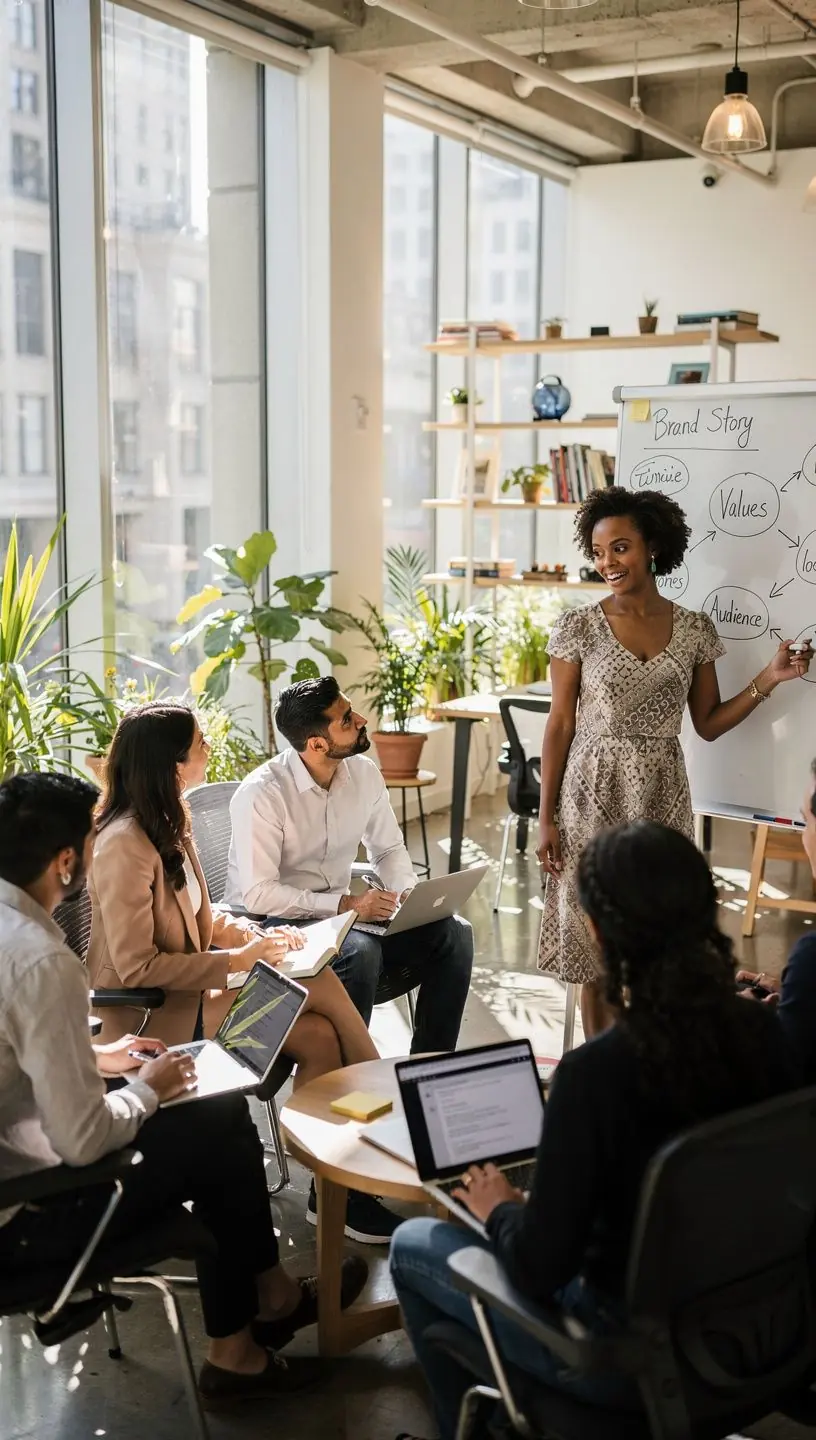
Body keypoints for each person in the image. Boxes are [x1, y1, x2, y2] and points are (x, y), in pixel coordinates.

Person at [390, 821, 795, 1440]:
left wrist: (502, 1209)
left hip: (625, 1362)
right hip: (760, 1339)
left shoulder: (597, 1075)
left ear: (601, 932)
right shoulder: (767, 1034)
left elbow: (537, 1269)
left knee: (414, 1244)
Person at [0, 772, 368, 1407]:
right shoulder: (41, 958)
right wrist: (146, 1088)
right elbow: (84, 1140)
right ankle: (243, 1345)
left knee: (215, 1117)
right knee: (214, 1128)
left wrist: (95, 1052)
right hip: (30, 1218)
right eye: (86, 845)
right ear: (65, 861)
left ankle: (264, 1310)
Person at [88, 701, 398, 1246]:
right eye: (199, 743)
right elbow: (138, 967)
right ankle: (395, 1105)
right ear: (172, 764)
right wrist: (239, 962)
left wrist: (253, 940)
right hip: (153, 1020)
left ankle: (334, 1196)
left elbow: (206, 919)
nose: (208, 748)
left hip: (196, 999)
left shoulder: (167, 822)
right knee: (321, 981)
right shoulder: (122, 846)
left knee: (321, 1035)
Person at [537, 486, 812, 1038]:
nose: (607, 562)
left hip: (661, 791)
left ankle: (653, 1061)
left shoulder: (694, 629)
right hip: (590, 789)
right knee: (597, 944)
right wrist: (545, 817)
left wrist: (769, 679)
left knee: (658, 933)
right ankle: (605, 1070)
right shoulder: (579, 627)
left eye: (620, 548)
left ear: (653, 547)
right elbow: (560, 724)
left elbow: (707, 722)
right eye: (598, 551)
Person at [224, 676, 474, 1058]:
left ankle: (430, 1066)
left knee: (454, 933)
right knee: (359, 951)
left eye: (351, 709)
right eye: (346, 719)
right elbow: (258, 894)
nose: (360, 719)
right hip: (279, 926)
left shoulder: (364, 773)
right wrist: (346, 906)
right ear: (317, 744)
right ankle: (348, 1084)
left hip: (345, 922)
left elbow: (388, 847)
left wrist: (405, 893)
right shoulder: (263, 794)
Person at [737, 759, 816, 1084]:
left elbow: (787, 1085)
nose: (803, 836)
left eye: (806, 822)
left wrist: (748, 1023)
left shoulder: (811, 957)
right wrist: (798, 998)